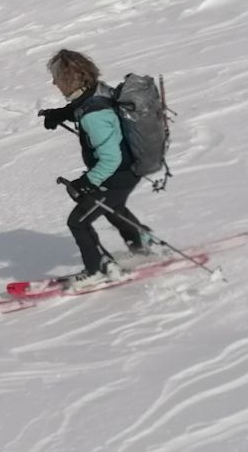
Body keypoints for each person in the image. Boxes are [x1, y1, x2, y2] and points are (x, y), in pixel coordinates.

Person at [38, 48, 161, 281]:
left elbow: (110, 158)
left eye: (56, 77)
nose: (54, 83)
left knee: (78, 221)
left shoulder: (93, 116)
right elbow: (87, 106)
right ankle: (142, 243)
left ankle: (97, 269)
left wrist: (87, 182)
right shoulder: (97, 91)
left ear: (69, 79)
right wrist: (61, 114)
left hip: (116, 176)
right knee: (114, 208)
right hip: (127, 171)